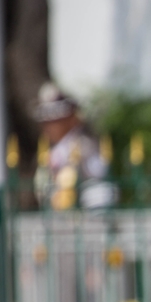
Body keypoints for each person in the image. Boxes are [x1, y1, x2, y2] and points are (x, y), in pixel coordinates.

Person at [34, 82, 117, 210]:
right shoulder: (52, 148)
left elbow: (98, 172)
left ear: (71, 119)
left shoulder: (84, 142)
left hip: (89, 204)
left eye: (56, 121)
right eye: (47, 122)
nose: (49, 127)